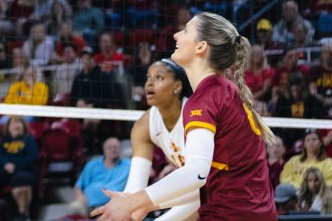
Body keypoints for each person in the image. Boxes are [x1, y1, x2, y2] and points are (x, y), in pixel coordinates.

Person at [90, 12, 275, 221]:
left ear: (201, 47)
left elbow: (196, 174)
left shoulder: (205, 99)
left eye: (186, 30)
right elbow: (212, 182)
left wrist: (135, 202)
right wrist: (145, 203)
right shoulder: (224, 90)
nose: (176, 35)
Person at [122, 59, 198, 221]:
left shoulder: (197, 116)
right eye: (148, 78)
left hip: (233, 189)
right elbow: (135, 188)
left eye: (159, 78)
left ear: (177, 87)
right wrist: (123, 207)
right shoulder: (143, 126)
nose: (149, 84)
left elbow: (205, 182)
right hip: (200, 193)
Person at [0, 117, 37, 221]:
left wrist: (15, 166)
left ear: (24, 126)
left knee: (22, 178)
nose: (16, 125)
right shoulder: (3, 141)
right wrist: (5, 164)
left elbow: (30, 158)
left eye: (19, 123)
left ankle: (23, 214)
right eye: (13, 123)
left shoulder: (29, 140)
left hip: (22, 170)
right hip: (4, 172)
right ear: (8, 127)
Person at [72, 138, 129, 215]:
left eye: (116, 147)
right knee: (73, 208)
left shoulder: (128, 164)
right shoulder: (92, 164)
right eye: (110, 148)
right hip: (90, 206)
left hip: (116, 207)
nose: (113, 150)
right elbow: (79, 186)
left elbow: (148, 172)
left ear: (120, 149)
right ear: (104, 151)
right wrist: (80, 198)